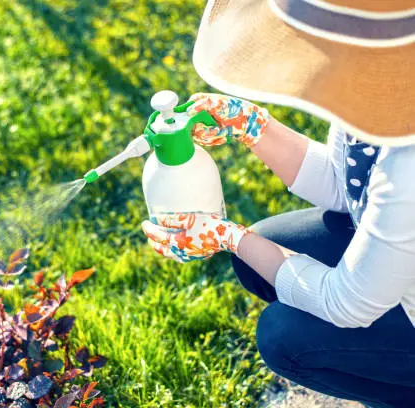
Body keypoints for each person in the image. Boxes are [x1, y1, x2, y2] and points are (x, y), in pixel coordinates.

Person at [142, 1, 415, 407]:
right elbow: (349, 185)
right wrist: (253, 126)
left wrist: (228, 236)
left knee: (284, 336)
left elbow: (346, 303)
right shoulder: (379, 89)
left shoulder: (409, 163)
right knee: (265, 251)